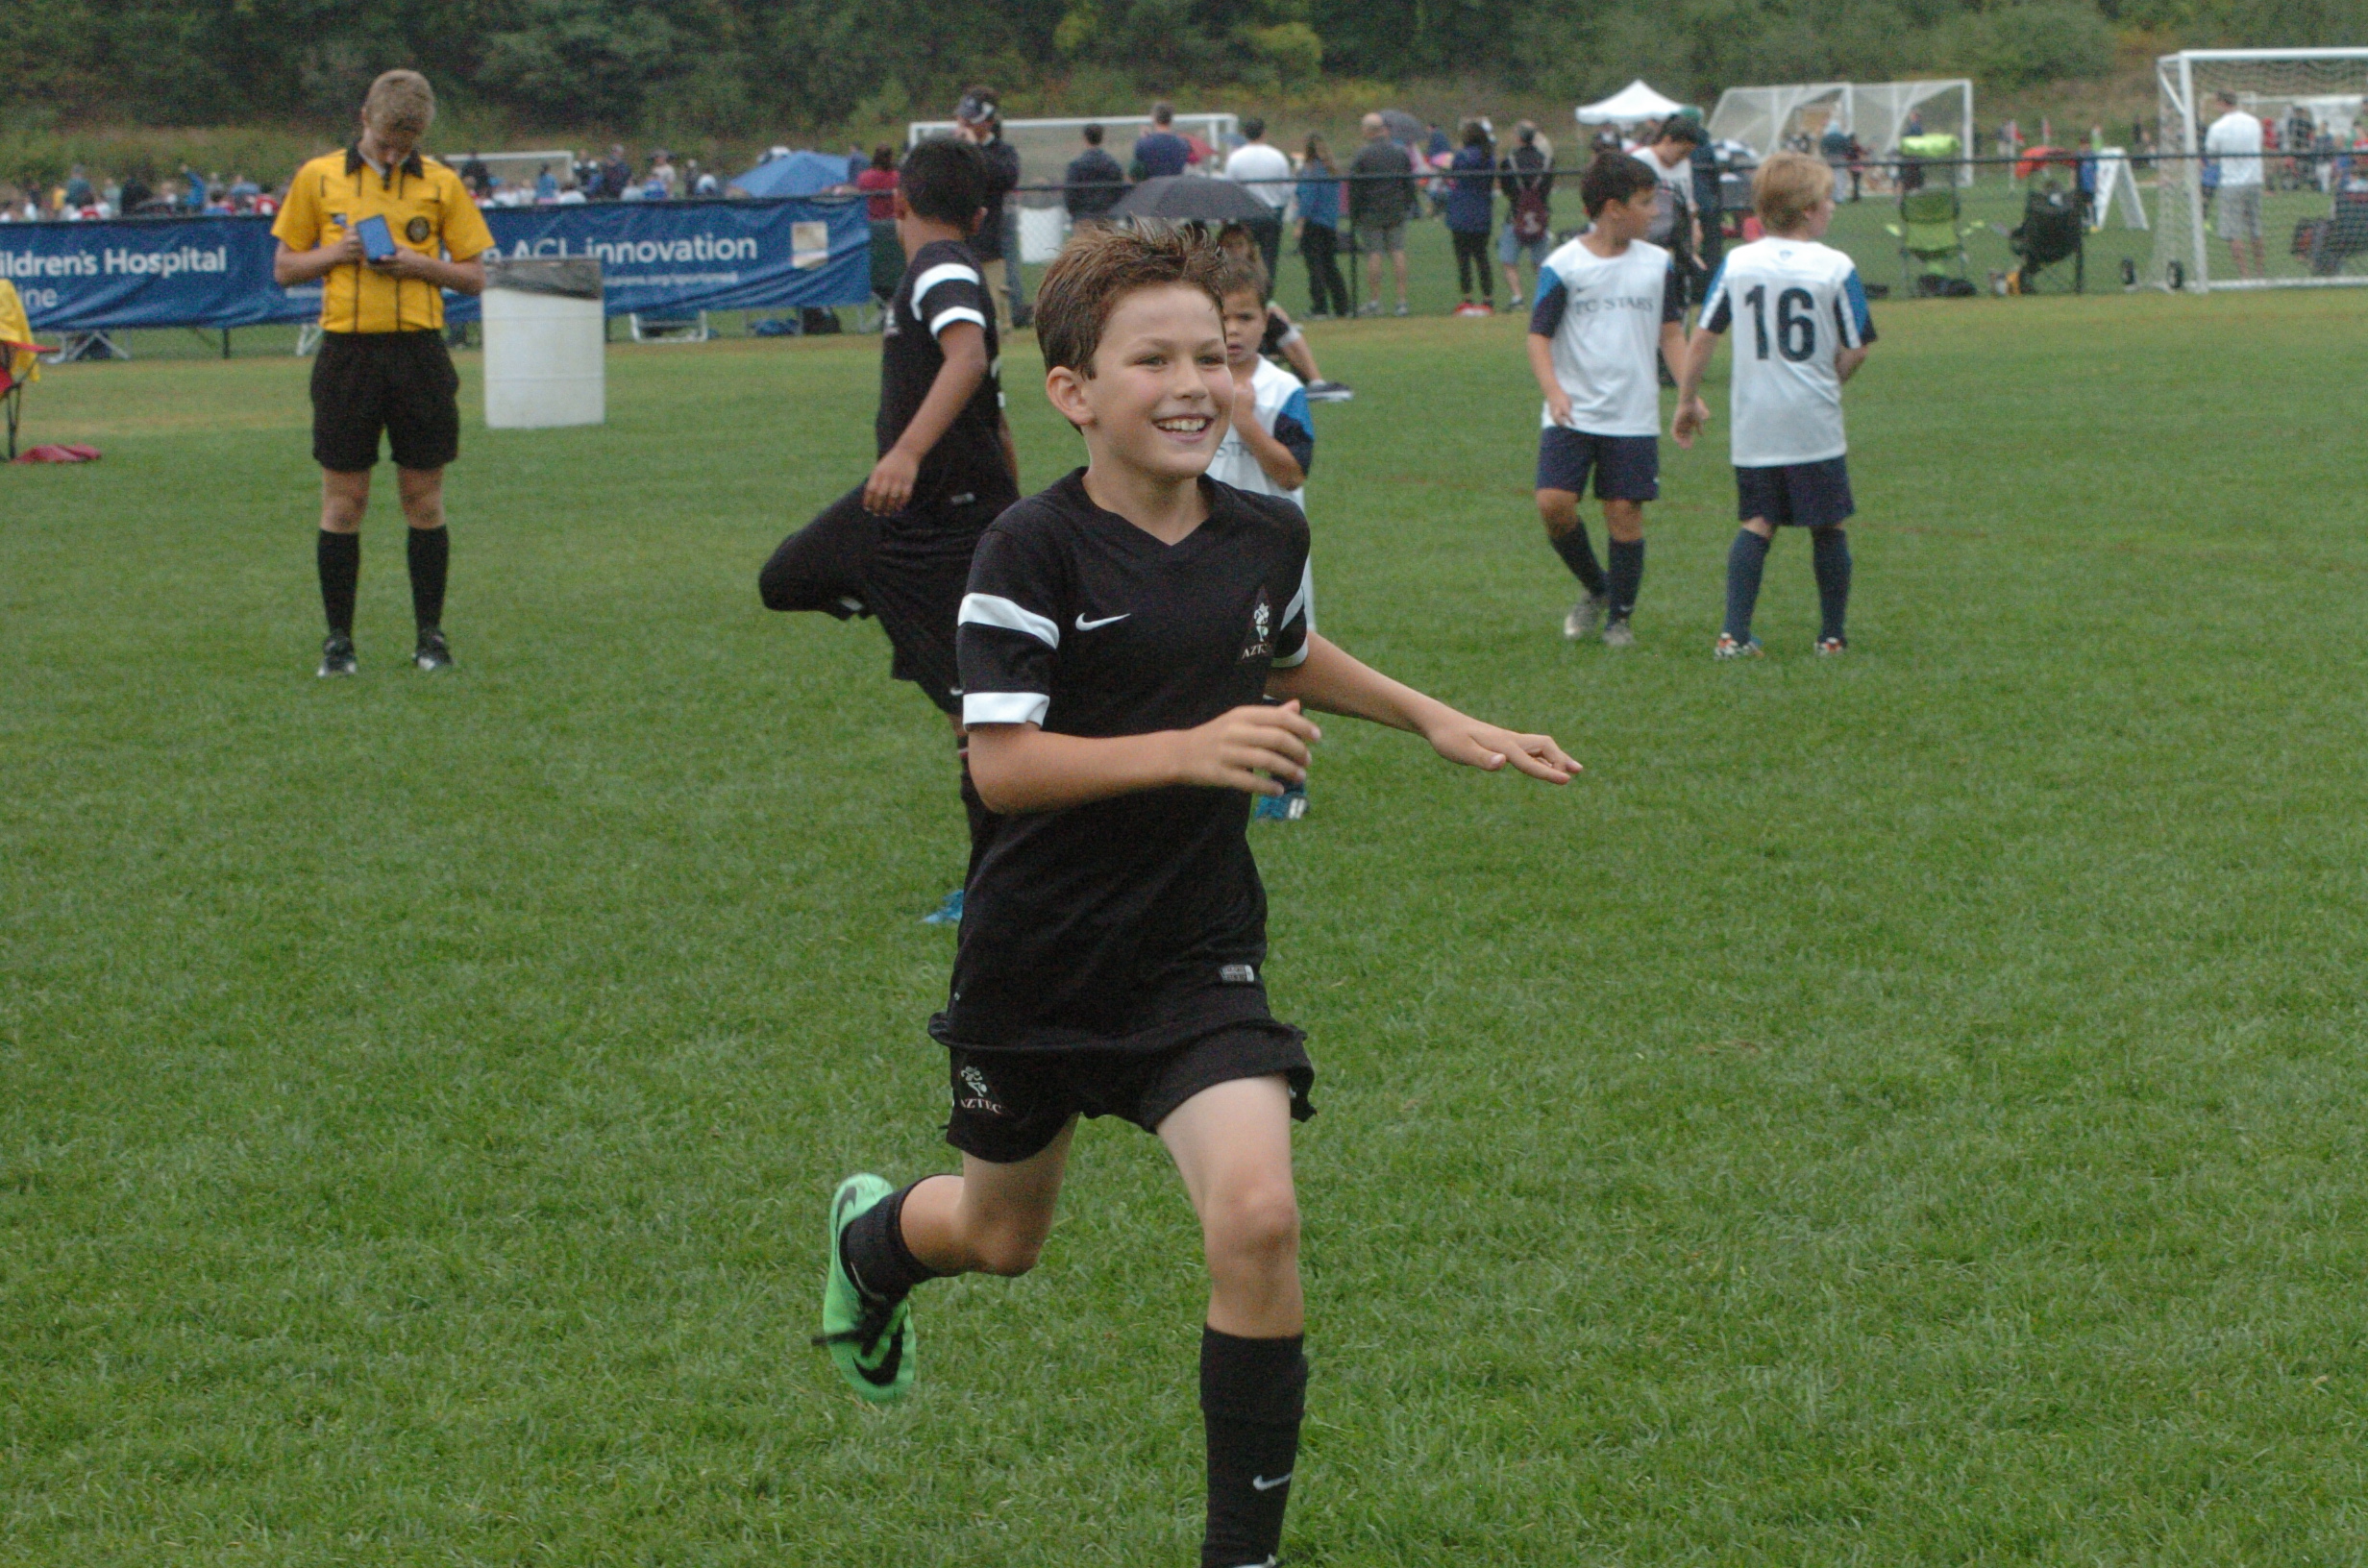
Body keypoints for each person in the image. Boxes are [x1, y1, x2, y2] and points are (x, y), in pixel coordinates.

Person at [812, 221, 1578, 1568]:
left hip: (1195, 954)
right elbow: (1003, 769)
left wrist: (1436, 717)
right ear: (1073, 391)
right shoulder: (1028, 551)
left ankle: (1243, 1554)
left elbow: (1284, 650)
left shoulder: (1264, 533)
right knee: (1000, 1237)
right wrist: (1186, 748)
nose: (1193, 385)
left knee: (1260, 1216)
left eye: (1212, 358)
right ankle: (876, 1248)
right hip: (1037, 960)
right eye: (1153, 360)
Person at [757, 138, 1019, 924]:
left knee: (976, 719)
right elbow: (995, 414)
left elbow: (967, 358)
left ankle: (997, 893)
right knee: (788, 576)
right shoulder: (950, 268)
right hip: (914, 520)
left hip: (947, 523)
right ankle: (891, 594)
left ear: (896, 202)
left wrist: (906, 453)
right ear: (980, 214)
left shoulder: (939, 267)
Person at [270, 69, 493, 679]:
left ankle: (430, 638)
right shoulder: (318, 177)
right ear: (364, 118)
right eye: (387, 142)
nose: (395, 155)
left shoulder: (442, 182)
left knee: (424, 499)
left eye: (408, 144)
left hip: (419, 354)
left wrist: (419, 265)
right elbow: (285, 268)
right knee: (345, 503)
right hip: (348, 355)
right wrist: (336, 254)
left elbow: (475, 276)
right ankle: (338, 643)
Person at [1672, 151, 1875, 659]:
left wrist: (1686, 400)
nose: (1832, 206)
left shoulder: (1739, 263)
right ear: (1807, 210)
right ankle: (1831, 637)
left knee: (1758, 521)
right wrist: (1828, 380)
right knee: (1828, 524)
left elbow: (1704, 336)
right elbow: (1857, 347)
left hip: (1756, 421)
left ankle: (1733, 634)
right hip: (1812, 420)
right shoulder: (1835, 266)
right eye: (1826, 198)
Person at [1525, 153, 1693, 649]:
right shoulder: (1564, 265)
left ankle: (1620, 619)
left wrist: (1688, 395)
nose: (1654, 213)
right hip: (1572, 411)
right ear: (1614, 208)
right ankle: (1598, 587)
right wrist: (1554, 392)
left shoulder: (1657, 264)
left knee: (1624, 513)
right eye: (1645, 203)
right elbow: (1538, 337)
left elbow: (1671, 334)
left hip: (1631, 413)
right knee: (1554, 504)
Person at [1207, 251, 1320, 820]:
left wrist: (1246, 421)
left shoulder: (1281, 390)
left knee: (1280, 662)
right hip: (1203, 546)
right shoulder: (1193, 384)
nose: (1233, 330)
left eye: (1246, 317)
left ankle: (1286, 786)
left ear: (1266, 321)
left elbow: (1293, 473)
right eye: (1222, 318)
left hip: (1272, 552)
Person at [1215, 222, 1352, 402]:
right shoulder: (1214, 274)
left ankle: (1315, 381)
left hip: (1259, 328)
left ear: (1250, 247)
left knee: (1283, 328)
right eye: (1229, 246)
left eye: (1239, 245)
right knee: (1278, 326)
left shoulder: (1256, 272)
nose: (1234, 250)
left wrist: (1271, 307)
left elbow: (1262, 300)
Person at [955, 88, 1024, 331]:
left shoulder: (1002, 152)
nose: (964, 125)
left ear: (988, 122)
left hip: (989, 242)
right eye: (962, 119)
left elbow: (1005, 178)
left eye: (970, 121)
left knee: (994, 306)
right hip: (957, 239)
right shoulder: (953, 151)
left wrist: (975, 148)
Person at [1349, 112, 1417, 316]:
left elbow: (1355, 188)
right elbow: (1409, 182)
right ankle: (1402, 301)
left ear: (1368, 130)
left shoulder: (1363, 154)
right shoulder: (1399, 152)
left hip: (1371, 210)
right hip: (1396, 209)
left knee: (1374, 254)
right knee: (1397, 251)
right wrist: (1407, 204)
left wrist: (1354, 212)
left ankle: (1375, 301)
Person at [2205, 90, 2266, 281]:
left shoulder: (2217, 127)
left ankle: (2245, 276)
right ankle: (2260, 273)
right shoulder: (2253, 122)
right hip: (2254, 180)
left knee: (2234, 232)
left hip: (2231, 182)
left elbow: (2212, 156)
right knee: (2255, 229)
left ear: (2222, 103)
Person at [1223, 116, 1294, 282]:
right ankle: (1266, 292)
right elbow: (1286, 189)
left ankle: (1247, 290)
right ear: (1264, 133)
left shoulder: (1235, 158)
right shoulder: (1277, 156)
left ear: (1244, 134)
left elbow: (1229, 190)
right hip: (1271, 213)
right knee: (1269, 259)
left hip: (1246, 214)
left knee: (1244, 258)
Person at [1295, 134, 1351, 320]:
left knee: (1315, 267)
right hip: (1329, 223)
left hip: (1313, 224)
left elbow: (1308, 200)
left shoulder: (1310, 171)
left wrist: (1300, 225)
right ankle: (1342, 306)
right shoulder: (1331, 170)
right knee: (1330, 266)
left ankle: (1319, 308)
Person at [1497, 122, 1554, 306]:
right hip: (1540, 214)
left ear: (1519, 138)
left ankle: (1518, 297)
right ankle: (1545, 298)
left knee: (1509, 261)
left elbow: (1506, 188)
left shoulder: (1509, 161)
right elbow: (1547, 187)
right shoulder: (1546, 161)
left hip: (1516, 214)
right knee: (1540, 263)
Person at [1446, 121, 1496, 314]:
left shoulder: (1462, 156)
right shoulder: (1488, 157)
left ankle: (1467, 297)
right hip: (1482, 209)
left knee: (1463, 258)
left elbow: (1454, 175)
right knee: (1482, 256)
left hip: (1461, 209)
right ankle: (1488, 298)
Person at [1063, 123, 1125, 226]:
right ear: (1102, 138)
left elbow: (1070, 194)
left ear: (1085, 139)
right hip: (1107, 217)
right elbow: (1120, 192)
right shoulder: (1112, 165)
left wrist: (1075, 214)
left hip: (1083, 218)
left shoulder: (1076, 165)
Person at [1134, 102, 1192, 180]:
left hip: (1152, 185)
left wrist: (1145, 138)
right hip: (1174, 185)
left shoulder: (1143, 144)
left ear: (1154, 117)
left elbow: (1136, 171)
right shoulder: (1183, 144)